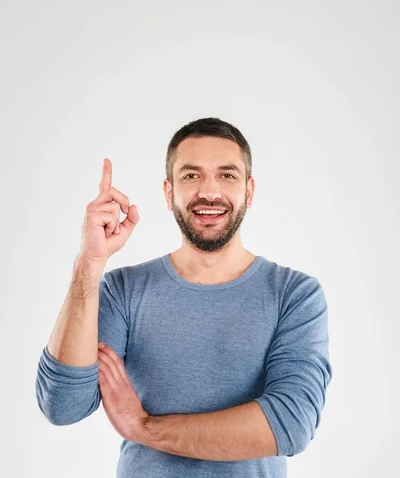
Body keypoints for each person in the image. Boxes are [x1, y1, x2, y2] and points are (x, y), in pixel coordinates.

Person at [36, 116, 332, 478]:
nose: (209, 191)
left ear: (249, 191)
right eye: (191, 176)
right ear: (168, 192)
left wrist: (144, 427)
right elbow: (62, 406)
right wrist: (89, 262)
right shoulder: (123, 290)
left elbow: (290, 422)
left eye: (227, 174)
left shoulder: (294, 295)